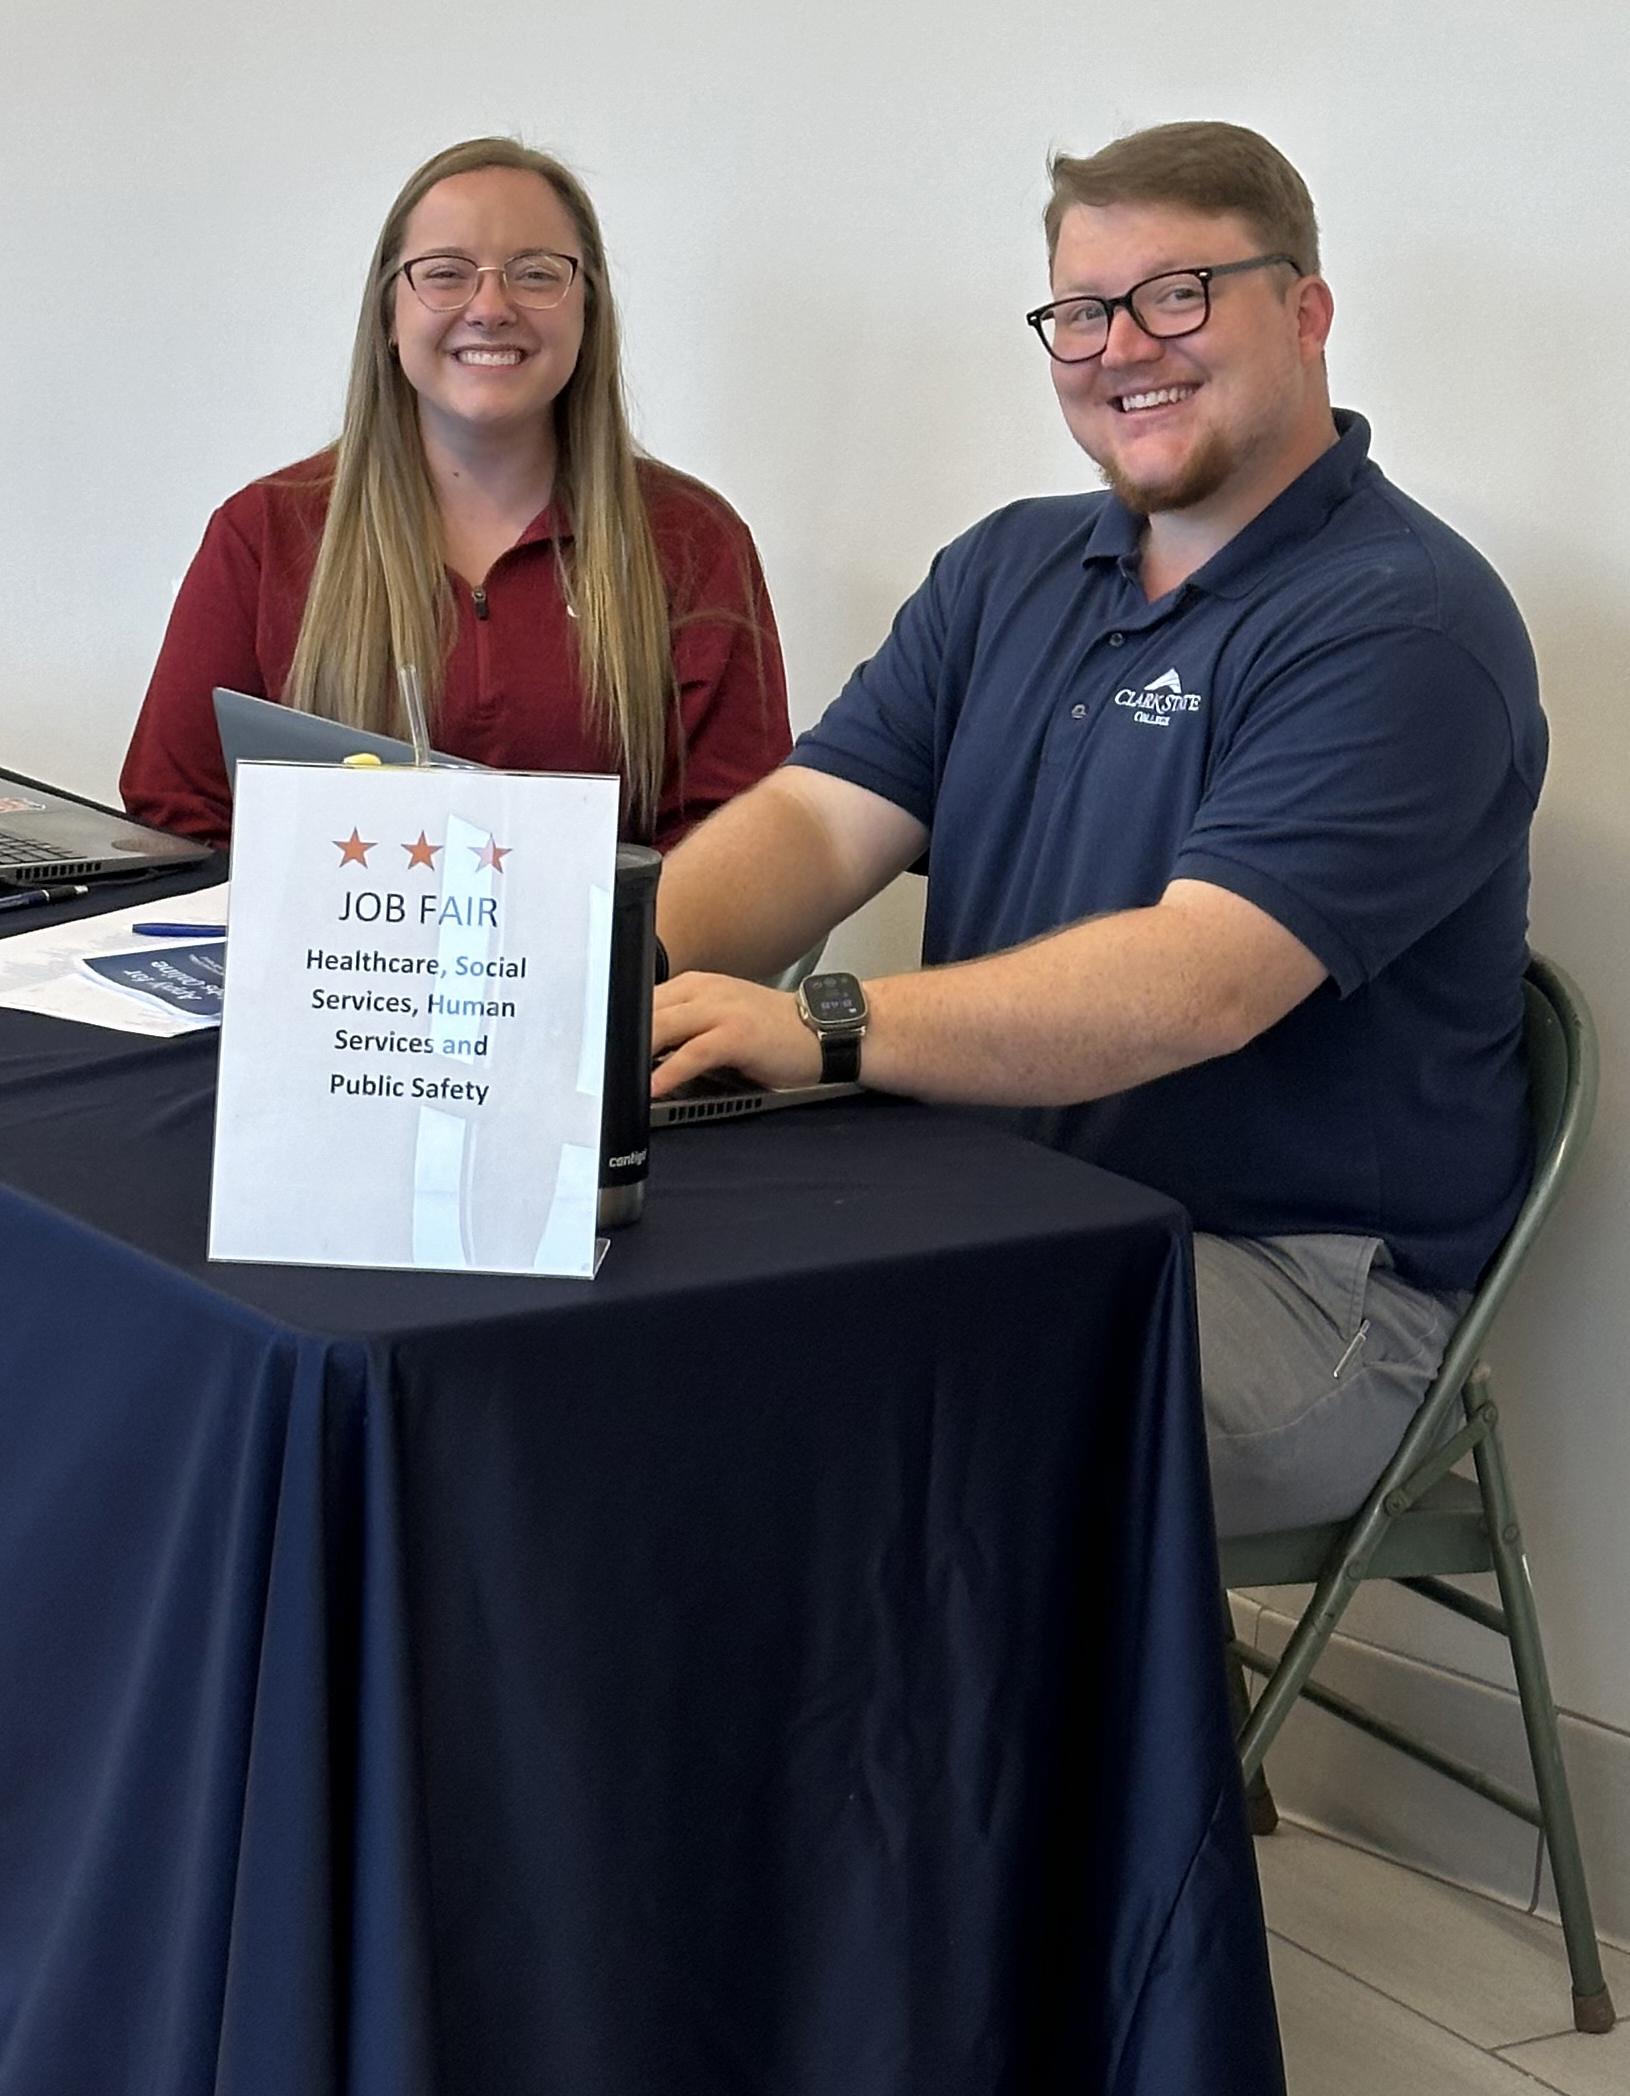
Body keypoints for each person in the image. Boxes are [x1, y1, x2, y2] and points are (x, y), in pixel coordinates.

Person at [648, 121, 1545, 1538]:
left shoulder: (1400, 620)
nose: (1124, 344)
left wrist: (822, 1023)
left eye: (1178, 292)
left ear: (1305, 313)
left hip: (1295, 1293)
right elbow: (815, 830)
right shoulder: (1010, 564)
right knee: (634, 1280)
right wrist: (600, 965)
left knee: (810, 1395)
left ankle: (1074, 1765)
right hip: (993, 1196)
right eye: (1081, 309)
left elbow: (1201, 981)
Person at [121, 136, 790, 854]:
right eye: (445, 274)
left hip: (616, 968)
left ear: (588, 312)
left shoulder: (692, 541)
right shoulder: (262, 534)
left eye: (536, 274)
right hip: (325, 965)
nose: (491, 307)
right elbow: (177, 821)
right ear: (388, 315)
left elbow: (733, 848)